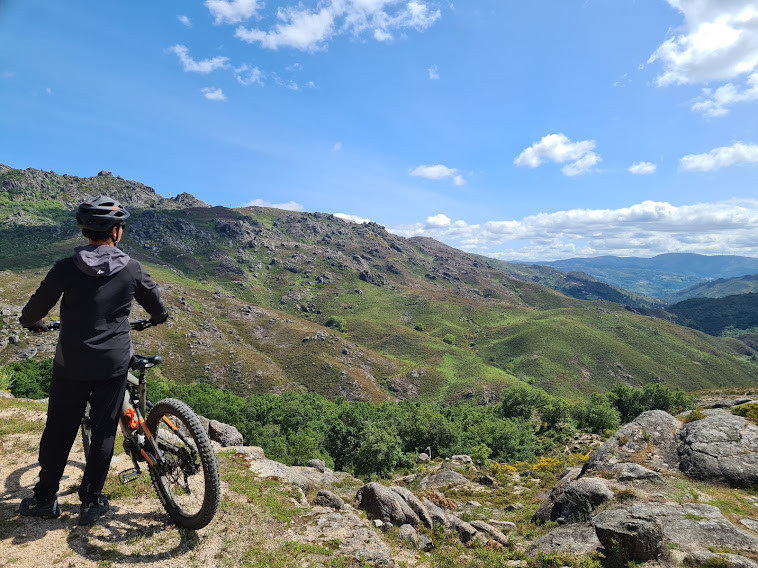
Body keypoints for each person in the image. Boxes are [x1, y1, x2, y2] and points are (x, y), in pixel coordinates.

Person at [17, 196, 168, 526]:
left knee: (58, 430)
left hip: (71, 363)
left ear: (85, 230)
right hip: (113, 364)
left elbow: (33, 311)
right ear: (115, 231)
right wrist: (157, 317)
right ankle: (91, 502)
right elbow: (157, 307)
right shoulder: (131, 268)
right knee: (103, 433)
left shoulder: (66, 268)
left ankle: (44, 499)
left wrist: (33, 323)